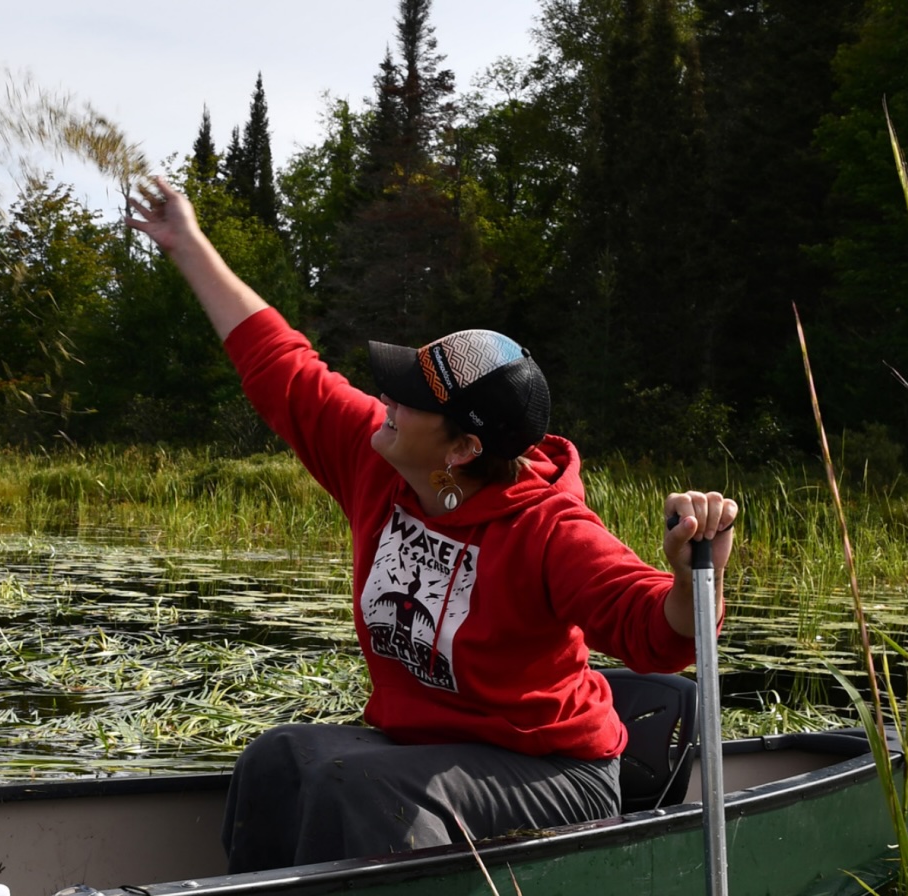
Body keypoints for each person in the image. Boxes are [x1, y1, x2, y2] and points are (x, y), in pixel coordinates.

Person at [125, 177, 738, 873]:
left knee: (357, 791)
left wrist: (698, 567)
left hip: (557, 772)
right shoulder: (379, 457)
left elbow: (657, 632)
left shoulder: (548, 529)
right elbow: (280, 367)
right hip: (428, 748)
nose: (383, 396)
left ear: (463, 449)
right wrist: (188, 244)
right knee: (279, 761)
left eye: (411, 397)